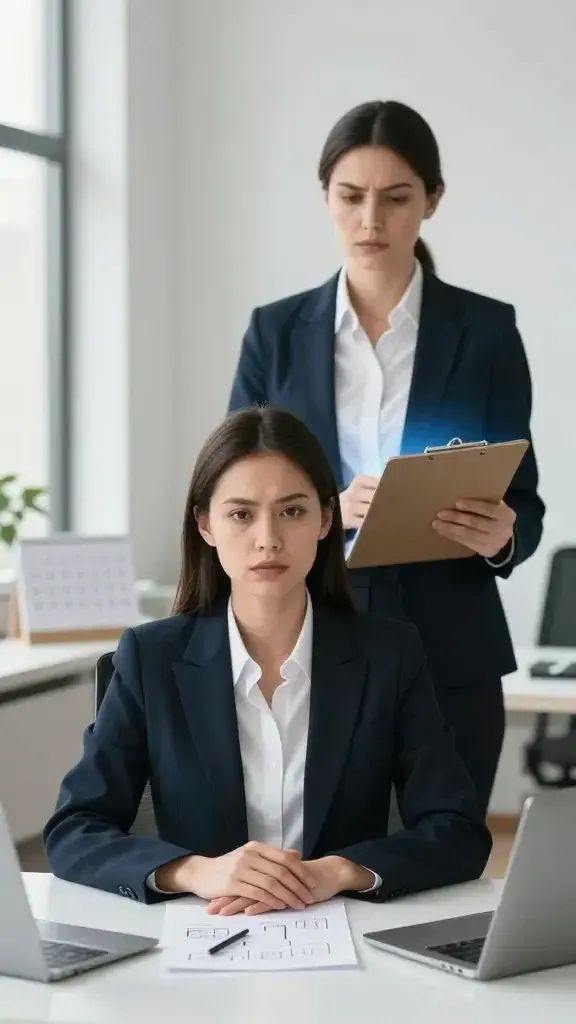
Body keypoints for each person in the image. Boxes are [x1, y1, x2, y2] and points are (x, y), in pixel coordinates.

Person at [228, 101, 545, 815]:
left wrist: (503, 538)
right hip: (309, 636)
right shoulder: (275, 333)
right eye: (351, 196)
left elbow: (522, 498)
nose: (371, 219)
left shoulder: (487, 331)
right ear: (326, 200)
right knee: (328, 863)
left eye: (397, 197)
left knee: (450, 858)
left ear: (432, 200)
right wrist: (331, 507)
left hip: (452, 642)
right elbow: (236, 495)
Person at [44, 407, 490, 911]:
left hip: (344, 930)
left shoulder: (389, 655)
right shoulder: (151, 658)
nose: (268, 539)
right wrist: (195, 871)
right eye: (240, 514)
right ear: (205, 525)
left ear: (326, 519)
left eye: (292, 511)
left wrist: (340, 871)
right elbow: (74, 831)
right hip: (203, 932)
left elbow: (459, 832)